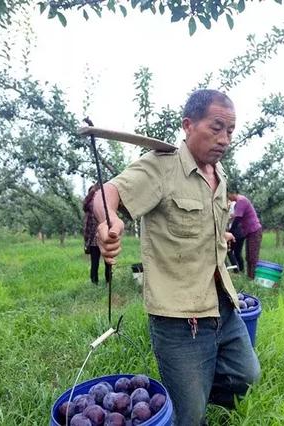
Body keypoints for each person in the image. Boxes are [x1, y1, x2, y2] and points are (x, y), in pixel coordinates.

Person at [93, 89, 260, 426]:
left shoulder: (218, 173)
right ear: (188, 125)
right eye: (216, 128)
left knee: (247, 375)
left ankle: (195, 388)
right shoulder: (161, 168)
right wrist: (108, 223)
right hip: (180, 317)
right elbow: (106, 193)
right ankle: (188, 397)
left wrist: (221, 236)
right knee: (189, 416)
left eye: (230, 130)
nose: (224, 138)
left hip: (222, 303)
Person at [227, 190, 263, 279]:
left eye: (228, 196)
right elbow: (235, 216)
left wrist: (229, 232)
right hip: (249, 233)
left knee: (253, 256)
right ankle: (249, 277)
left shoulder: (241, 201)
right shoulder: (238, 203)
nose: (228, 198)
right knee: (248, 256)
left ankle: (253, 278)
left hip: (254, 231)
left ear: (232, 193)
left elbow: (237, 219)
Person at [82, 184, 101, 284]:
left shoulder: (103, 204)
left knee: (108, 262)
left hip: (104, 238)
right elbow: (84, 204)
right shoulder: (89, 208)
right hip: (93, 240)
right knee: (95, 262)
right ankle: (94, 282)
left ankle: (108, 281)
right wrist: (93, 191)